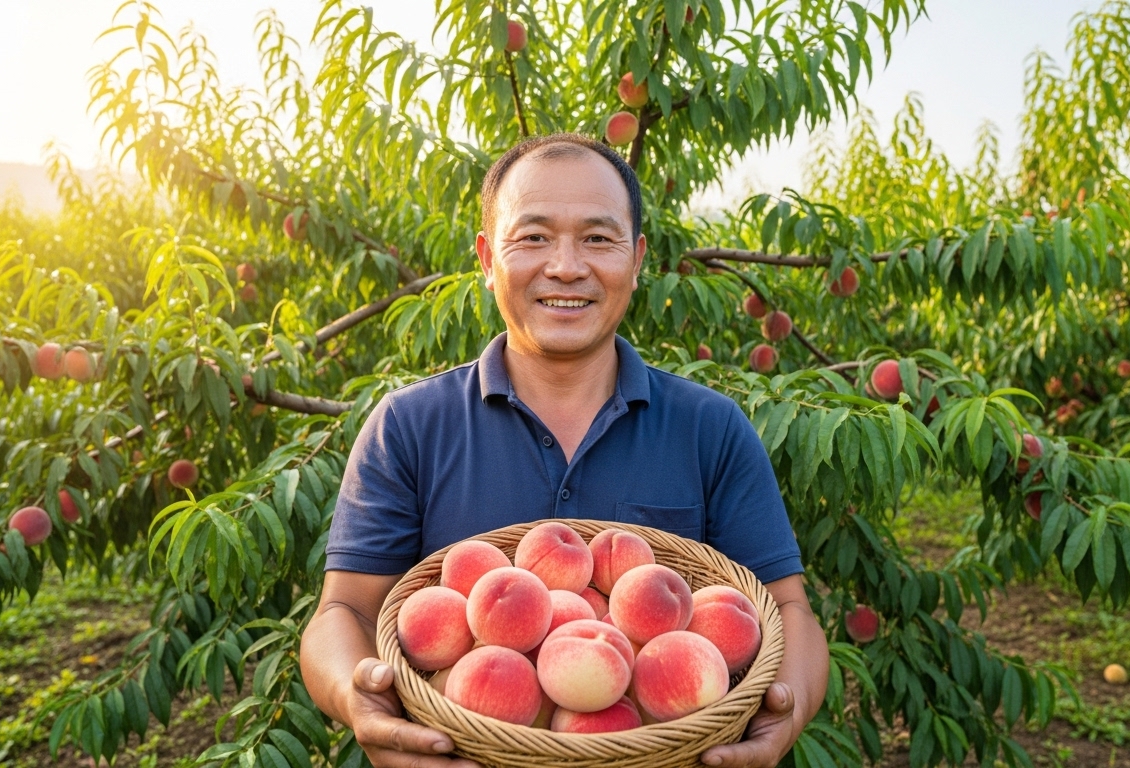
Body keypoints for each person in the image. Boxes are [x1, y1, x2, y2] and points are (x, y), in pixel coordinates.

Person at [301, 133, 829, 768]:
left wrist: (786, 712)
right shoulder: (409, 426)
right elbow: (345, 610)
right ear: (488, 258)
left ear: (636, 261)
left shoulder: (710, 427)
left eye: (598, 239)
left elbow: (787, 609)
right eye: (533, 237)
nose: (566, 266)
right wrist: (355, 698)